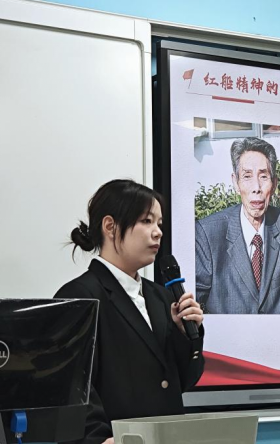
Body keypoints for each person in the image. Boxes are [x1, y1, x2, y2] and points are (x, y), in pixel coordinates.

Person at [55, 180, 205, 444]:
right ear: (110, 226)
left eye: (159, 223)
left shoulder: (160, 296)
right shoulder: (80, 296)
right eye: (147, 221)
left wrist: (185, 335)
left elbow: (181, 382)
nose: (158, 232)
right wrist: (98, 439)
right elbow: (72, 388)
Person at [196, 137, 280, 315]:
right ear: (236, 183)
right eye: (247, 176)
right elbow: (193, 299)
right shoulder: (208, 232)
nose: (256, 188)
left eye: (263, 176)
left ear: (274, 184)